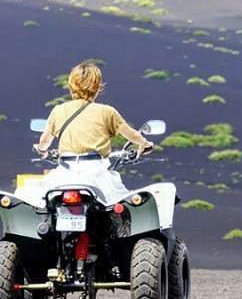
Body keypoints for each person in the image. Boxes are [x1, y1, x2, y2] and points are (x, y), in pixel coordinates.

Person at [33, 61, 153, 202]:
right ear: (97, 88)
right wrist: (144, 143)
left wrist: (41, 150)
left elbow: (44, 141)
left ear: (71, 85)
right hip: (97, 173)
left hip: (65, 172)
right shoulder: (107, 111)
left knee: (39, 199)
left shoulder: (58, 110)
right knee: (123, 204)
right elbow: (132, 135)